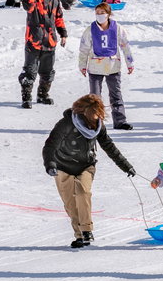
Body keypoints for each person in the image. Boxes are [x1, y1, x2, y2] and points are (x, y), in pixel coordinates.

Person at [41, 94, 135, 248]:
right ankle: (79, 235)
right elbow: (50, 145)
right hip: (62, 166)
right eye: (95, 114)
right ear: (85, 113)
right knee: (70, 203)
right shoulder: (67, 123)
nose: (98, 118)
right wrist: (50, 164)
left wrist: (126, 166)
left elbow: (109, 147)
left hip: (86, 166)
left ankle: (86, 230)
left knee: (83, 192)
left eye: (100, 115)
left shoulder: (98, 126)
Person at [79, 2, 134, 130]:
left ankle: (120, 121)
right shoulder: (90, 30)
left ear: (108, 14)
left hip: (113, 66)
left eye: (102, 13)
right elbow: (84, 49)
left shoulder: (117, 28)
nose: (99, 15)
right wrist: (82, 65)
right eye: (97, 13)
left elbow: (125, 45)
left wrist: (129, 62)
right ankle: (93, 122)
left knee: (116, 94)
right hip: (95, 66)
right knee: (94, 97)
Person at [18, 0, 67, 109]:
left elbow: (59, 18)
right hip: (33, 41)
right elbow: (29, 6)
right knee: (29, 71)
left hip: (49, 41)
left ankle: (42, 95)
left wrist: (63, 34)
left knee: (47, 72)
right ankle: (26, 97)